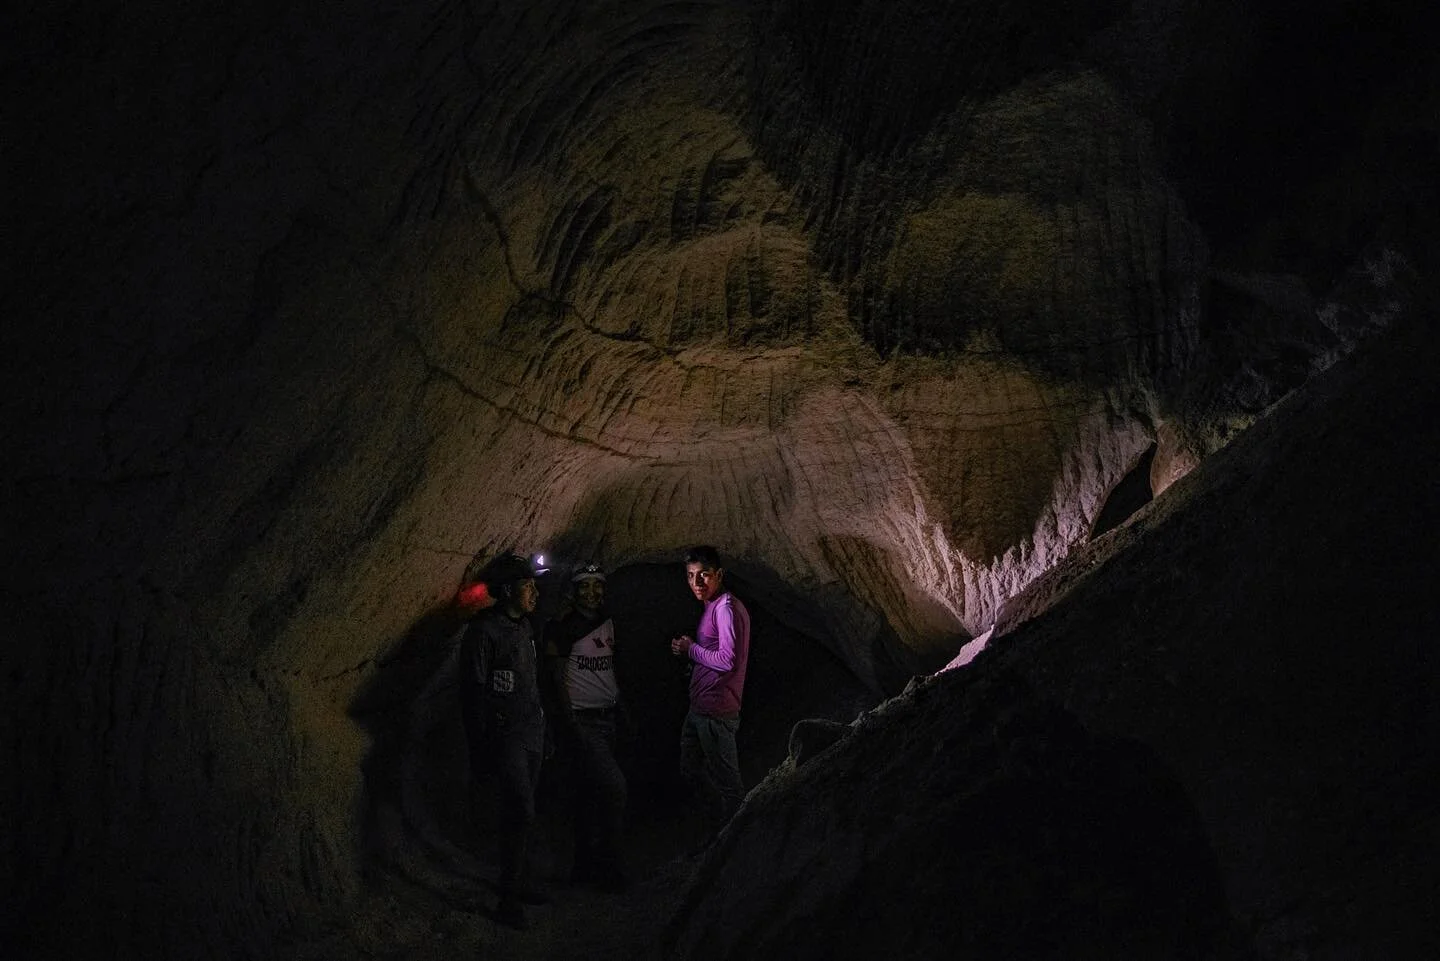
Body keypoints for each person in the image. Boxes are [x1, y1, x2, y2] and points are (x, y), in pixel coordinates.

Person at [459, 551, 549, 929]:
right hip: (505, 735)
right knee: (520, 810)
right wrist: (478, 747)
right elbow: (472, 692)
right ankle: (507, 900)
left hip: (532, 731)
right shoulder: (484, 632)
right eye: (528, 586)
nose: (535, 594)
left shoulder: (524, 628)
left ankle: (519, 880)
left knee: (525, 811)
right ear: (509, 590)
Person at [545, 562, 629, 890]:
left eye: (597, 586)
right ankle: (610, 867)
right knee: (615, 789)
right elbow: (556, 678)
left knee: (588, 794)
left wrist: (623, 710)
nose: (592, 593)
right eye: (585, 586)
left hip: (607, 718)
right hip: (582, 722)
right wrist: (569, 724)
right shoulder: (562, 627)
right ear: (573, 590)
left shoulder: (606, 624)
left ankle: (583, 868)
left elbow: (607, 670)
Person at [669, 545, 751, 833]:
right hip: (700, 708)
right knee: (690, 769)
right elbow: (714, 653)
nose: (697, 583)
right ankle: (717, 826)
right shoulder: (711, 607)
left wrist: (692, 651)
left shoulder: (726, 608)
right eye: (691, 576)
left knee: (729, 785)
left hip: (717, 712)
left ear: (719, 575)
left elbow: (728, 660)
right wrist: (692, 653)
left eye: (704, 575)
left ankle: (736, 841)